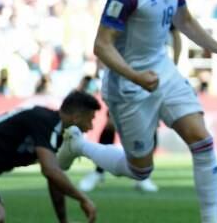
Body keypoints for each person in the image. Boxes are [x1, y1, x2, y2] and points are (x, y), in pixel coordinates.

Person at [58, 0, 217, 223]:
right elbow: (101, 45)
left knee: (202, 140)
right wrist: (135, 76)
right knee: (140, 170)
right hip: (128, 85)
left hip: (163, 71)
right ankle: (79, 145)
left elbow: (185, 21)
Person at [0, 90, 100, 223]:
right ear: (76, 117)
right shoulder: (43, 119)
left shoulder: (57, 136)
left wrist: (63, 221)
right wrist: (83, 199)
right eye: (90, 119)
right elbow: (50, 170)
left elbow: (54, 180)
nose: (91, 127)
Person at [78, 26, 181, 193]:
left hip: (153, 73)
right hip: (123, 74)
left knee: (151, 124)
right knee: (111, 124)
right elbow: (104, 38)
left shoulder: (160, 11)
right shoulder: (128, 11)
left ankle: (143, 175)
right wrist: (100, 67)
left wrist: (174, 65)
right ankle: (98, 172)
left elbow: (176, 31)